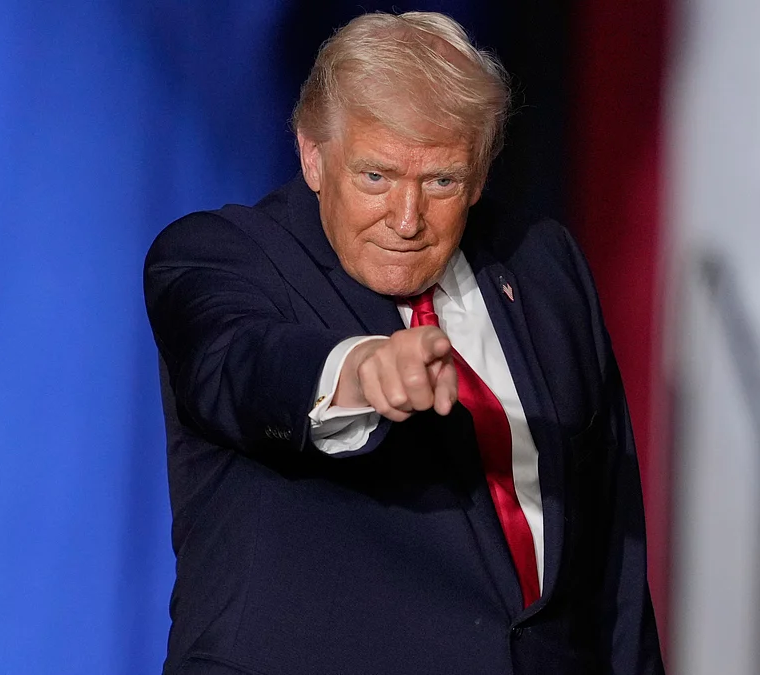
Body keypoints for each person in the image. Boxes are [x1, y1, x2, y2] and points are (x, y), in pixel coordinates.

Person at [144, 11, 662, 675]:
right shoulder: (222, 255)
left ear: (479, 174)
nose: (408, 219)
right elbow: (240, 365)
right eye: (377, 177)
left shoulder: (543, 265)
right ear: (313, 155)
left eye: (441, 180)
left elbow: (612, 554)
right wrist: (357, 372)